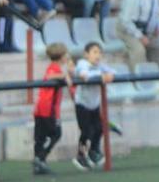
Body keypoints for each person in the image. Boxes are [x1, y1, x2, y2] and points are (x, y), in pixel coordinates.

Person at [73, 42, 116, 170]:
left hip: (94, 104)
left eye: (99, 52)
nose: (98, 55)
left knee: (99, 128)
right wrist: (101, 76)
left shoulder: (100, 66)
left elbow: (113, 72)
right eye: (94, 52)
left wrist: (109, 75)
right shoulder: (83, 64)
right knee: (86, 131)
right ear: (86, 54)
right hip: (83, 104)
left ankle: (93, 151)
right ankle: (81, 155)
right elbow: (84, 76)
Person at [34, 41, 74, 175]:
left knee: (41, 136)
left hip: (41, 107)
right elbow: (49, 76)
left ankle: (39, 163)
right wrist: (64, 75)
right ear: (61, 56)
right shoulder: (54, 68)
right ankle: (40, 158)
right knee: (56, 133)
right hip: (48, 108)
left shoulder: (56, 68)